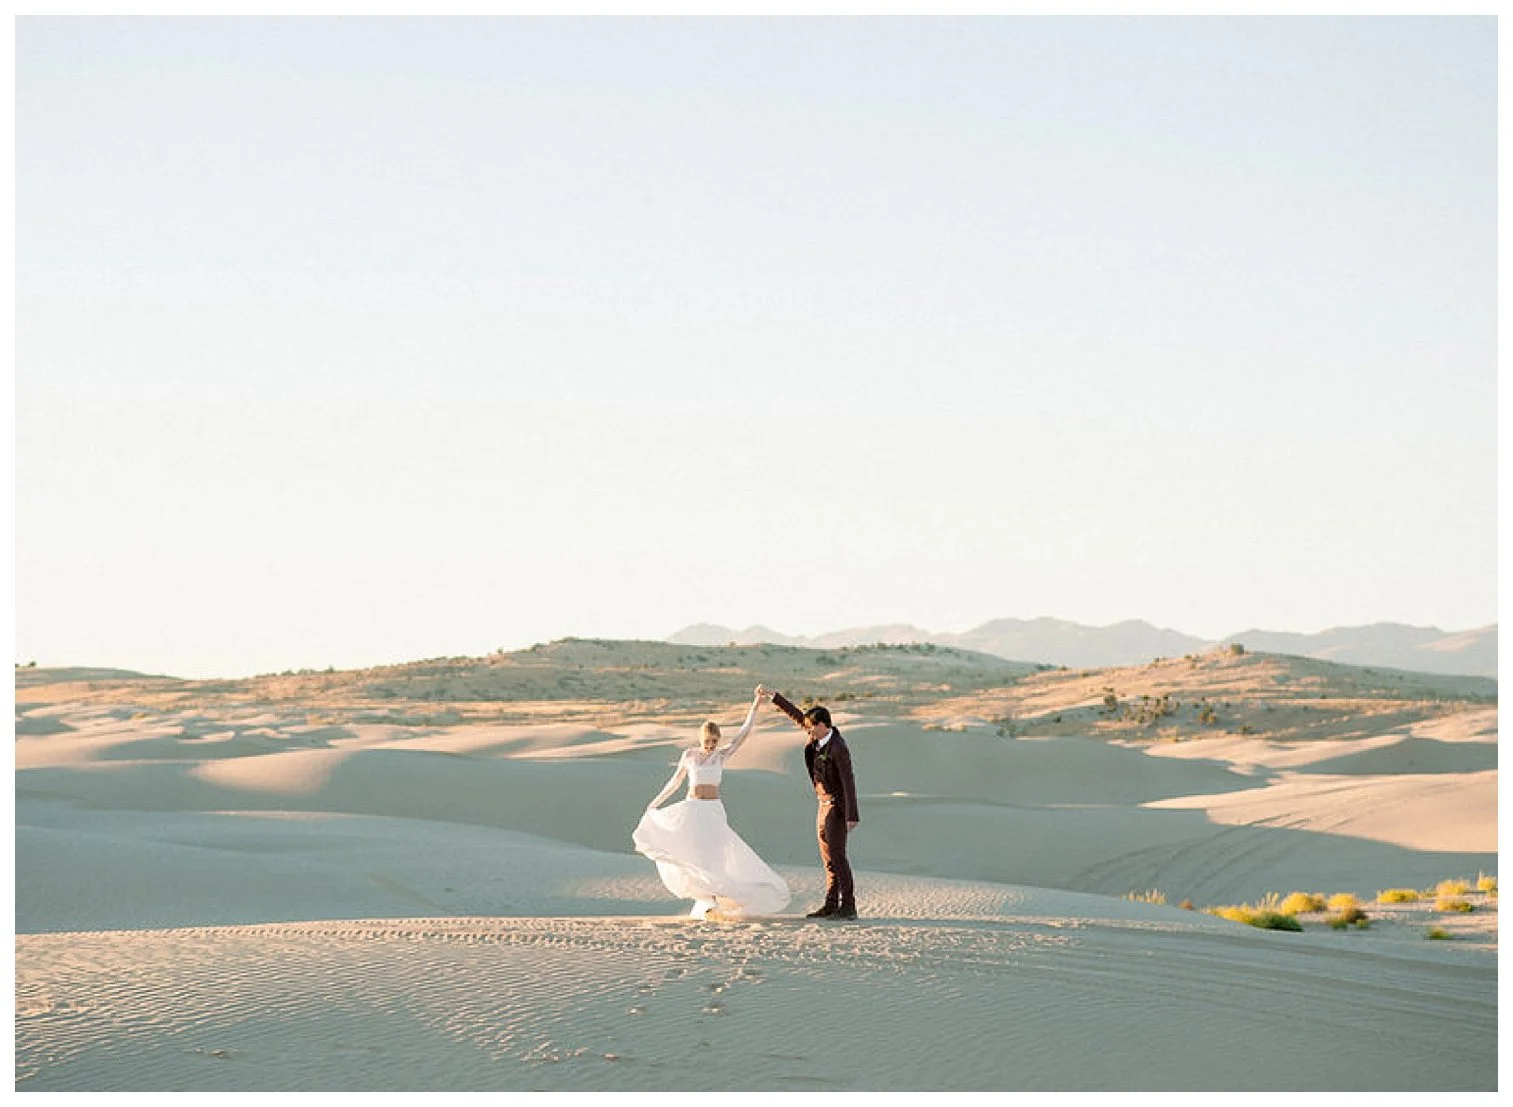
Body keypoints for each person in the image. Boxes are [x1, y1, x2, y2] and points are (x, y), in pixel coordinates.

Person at [632, 686, 790, 920]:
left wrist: (755, 705)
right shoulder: (689, 756)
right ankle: (707, 902)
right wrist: (654, 804)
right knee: (697, 856)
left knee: (717, 856)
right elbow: (675, 782)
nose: (711, 745)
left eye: (715, 741)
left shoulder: (721, 755)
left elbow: (744, 732)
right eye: (708, 741)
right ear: (701, 739)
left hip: (714, 811)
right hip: (692, 809)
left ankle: (718, 900)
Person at [768, 692, 860, 919]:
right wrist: (774, 697)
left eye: (811, 727)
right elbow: (799, 717)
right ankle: (830, 904)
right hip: (822, 806)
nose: (807, 730)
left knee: (838, 857)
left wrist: (851, 815)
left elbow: (849, 781)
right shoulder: (817, 739)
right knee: (828, 859)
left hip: (837, 808)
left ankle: (848, 906)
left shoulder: (838, 747)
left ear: (822, 725)